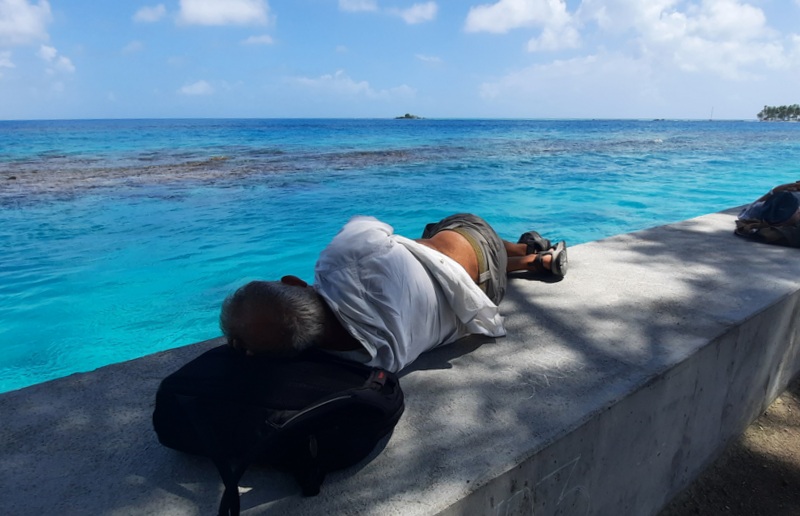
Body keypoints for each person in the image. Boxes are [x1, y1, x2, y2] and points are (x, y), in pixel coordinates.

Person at [219, 214, 567, 372]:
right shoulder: (340, 258)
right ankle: (528, 251)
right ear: (294, 282)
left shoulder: (367, 360)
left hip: (487, 295)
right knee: (434, 231)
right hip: (475, 244)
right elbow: (371, 223)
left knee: (428, 256)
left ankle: (533, 260)